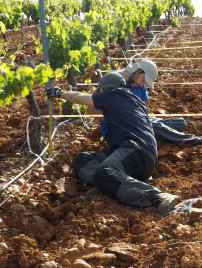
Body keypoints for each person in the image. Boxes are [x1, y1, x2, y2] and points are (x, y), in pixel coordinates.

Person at [47, 72, 178, 214]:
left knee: (105, 170)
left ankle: (156, 197)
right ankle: (107, 184)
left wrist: (59, 93)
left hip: (134, 151)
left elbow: (77, 97)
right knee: (83, 158)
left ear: (103, 89)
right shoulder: (137, 102)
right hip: (147, 158)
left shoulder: (112, 95)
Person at [96, 59, 202, 146]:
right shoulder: (112, 81)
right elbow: (95, 110)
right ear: (138, 70)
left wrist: (145, 121)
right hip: (119, 131)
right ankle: (196, 141)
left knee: (180, 123)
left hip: (137, 122)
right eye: (144, 80)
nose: (142, 84)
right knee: (155, 126)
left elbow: (143, 109)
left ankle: (163, 132)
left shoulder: (137, 82)